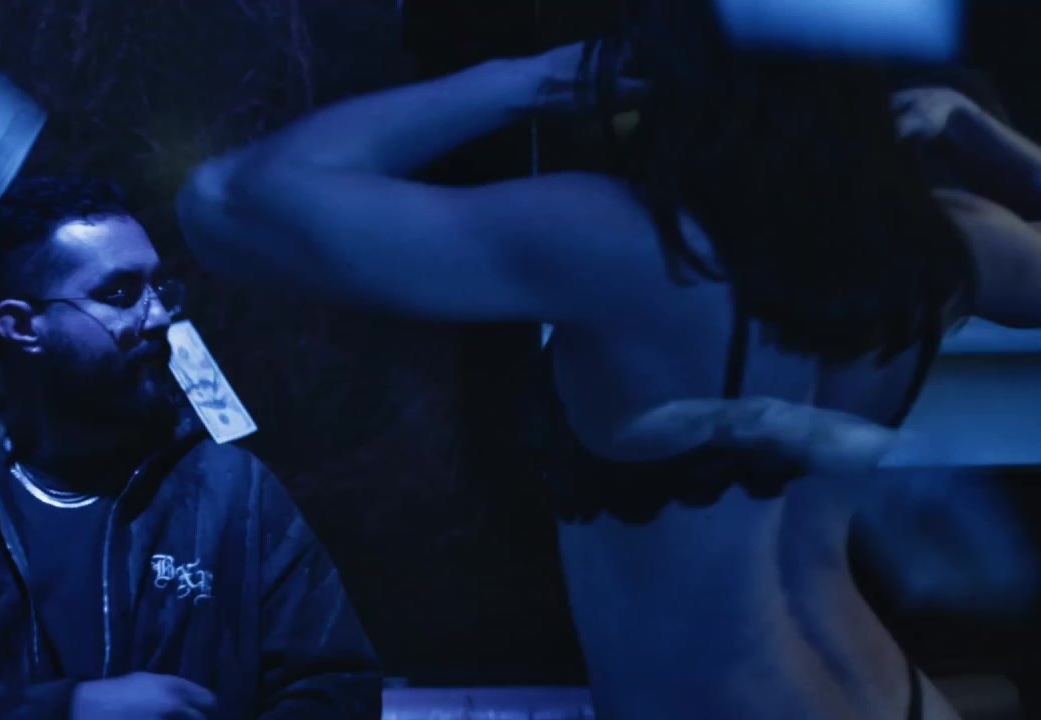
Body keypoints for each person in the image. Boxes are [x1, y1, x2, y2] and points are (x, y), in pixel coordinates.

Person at [174, 1, 1041, 717]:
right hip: (896, 697)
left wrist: (527, 79)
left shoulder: (624, 245)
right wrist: (986, 136)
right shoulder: (940, 245)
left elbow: (227, 203)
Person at [0, 176, 381, 720]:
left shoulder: (234, 493)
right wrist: (66, 710)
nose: (160, 317)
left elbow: (336, 687)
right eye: (121, 293)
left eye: (159, 288)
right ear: (22, 326)